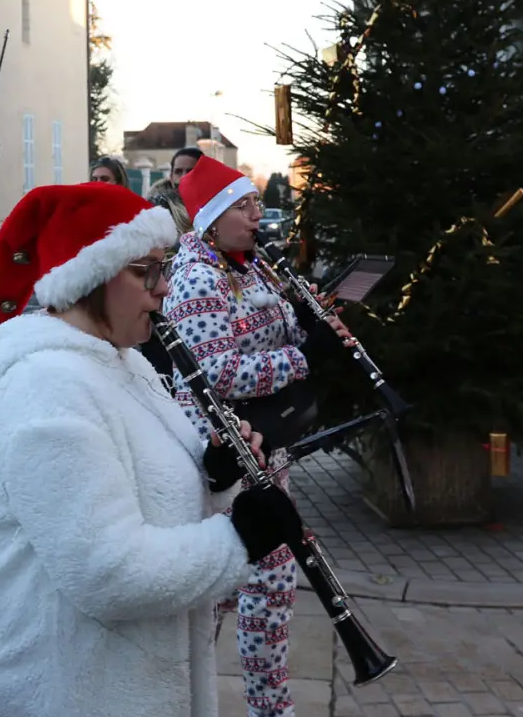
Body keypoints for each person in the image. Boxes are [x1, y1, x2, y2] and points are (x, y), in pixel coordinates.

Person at [0, 182, 305, 717]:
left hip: (124, 678)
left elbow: (148, 491)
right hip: (73, 693)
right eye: (146, 270)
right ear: (91, 277)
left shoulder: (123, 359)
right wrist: (238, 539)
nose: (164, 287)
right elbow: (108, 573)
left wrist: (214, 474)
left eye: (163, 267)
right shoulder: (47, 389)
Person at [164, 154, 355, 717]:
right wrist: (305, 357)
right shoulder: (197, 277)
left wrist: (313, 322)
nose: (257, 216)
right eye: (244, 206)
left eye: (255, 204)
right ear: (212, 219)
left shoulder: (252, 267)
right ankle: (191, 699)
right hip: (221, 456)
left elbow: (284, 333)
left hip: (265, 449)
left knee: (265, 587)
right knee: (230, 589)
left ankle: (263, 706)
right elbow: (217, 373)